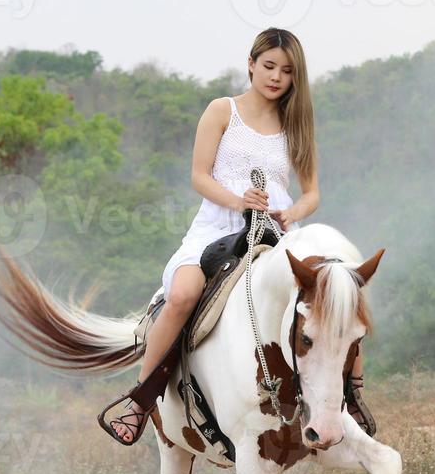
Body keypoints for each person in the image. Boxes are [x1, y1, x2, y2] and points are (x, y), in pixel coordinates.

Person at [98, 27, 372, 444]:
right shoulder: (222, 111)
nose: (276, 77)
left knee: (336, 295)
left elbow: (312, 192)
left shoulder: (296, 125)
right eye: (268, 66)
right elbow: (199, 176)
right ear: (250, 63)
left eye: (286, 71)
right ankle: (141, 400)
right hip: (217, 228)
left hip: (277, 235)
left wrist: (291, 211)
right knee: (183, 295)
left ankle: (351, 394)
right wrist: (238, 200)